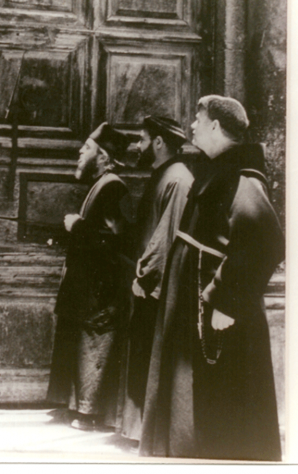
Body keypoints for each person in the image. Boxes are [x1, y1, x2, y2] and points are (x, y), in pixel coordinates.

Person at [139, 96, 285, 461]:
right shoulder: (219, 171)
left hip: (217, 316)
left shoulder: (243, 179)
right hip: (193, 310)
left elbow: (265, 243)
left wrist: (226, 299)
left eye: (198, 119)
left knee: (223, 413)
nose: (191, 126)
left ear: (216, 126)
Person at [47, 123, 134, 431]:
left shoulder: (113, 187)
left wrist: (77, 227)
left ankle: (88, 413)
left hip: (100, 291)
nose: (79, 152)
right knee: (84, 346)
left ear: (103, 156)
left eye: (86, 148)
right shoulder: (103, 185)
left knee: (94, 346)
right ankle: (77, 407)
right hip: (88, 288)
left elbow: (116, 243)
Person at [119, 116, 194, 443]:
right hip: (148, 286)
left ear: (159, 142)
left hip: (158, 289)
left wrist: (147, 277)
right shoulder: (164, 175)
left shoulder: (176, 179)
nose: (137, 145)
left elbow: (167, 235)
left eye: (142, 139)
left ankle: (150, 434)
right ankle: (140, 431)